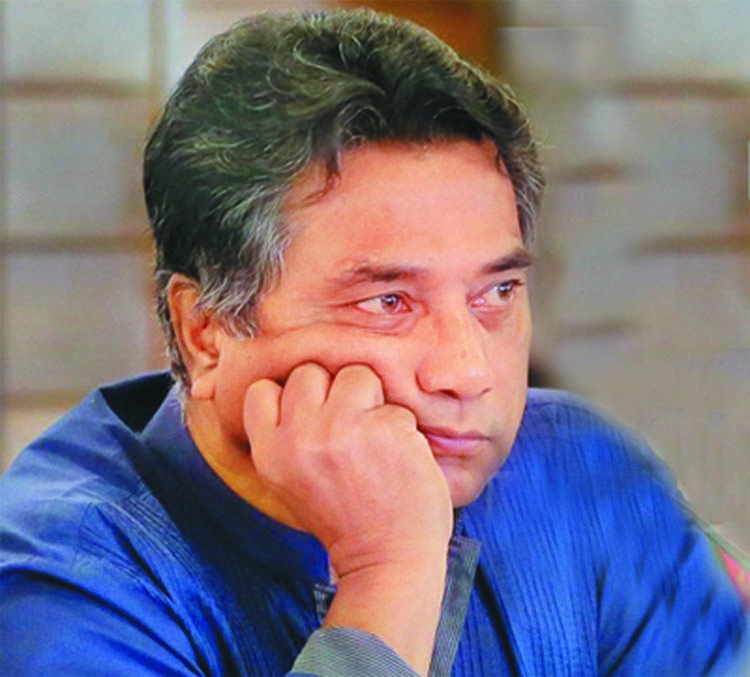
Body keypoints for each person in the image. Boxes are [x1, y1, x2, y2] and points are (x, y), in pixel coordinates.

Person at [1, 8, 746, 676]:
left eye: (495, 293)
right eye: (388, 302)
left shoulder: (584, 478)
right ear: (207, 332)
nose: (468, 371)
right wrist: (388, 572)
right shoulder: (59, 586)